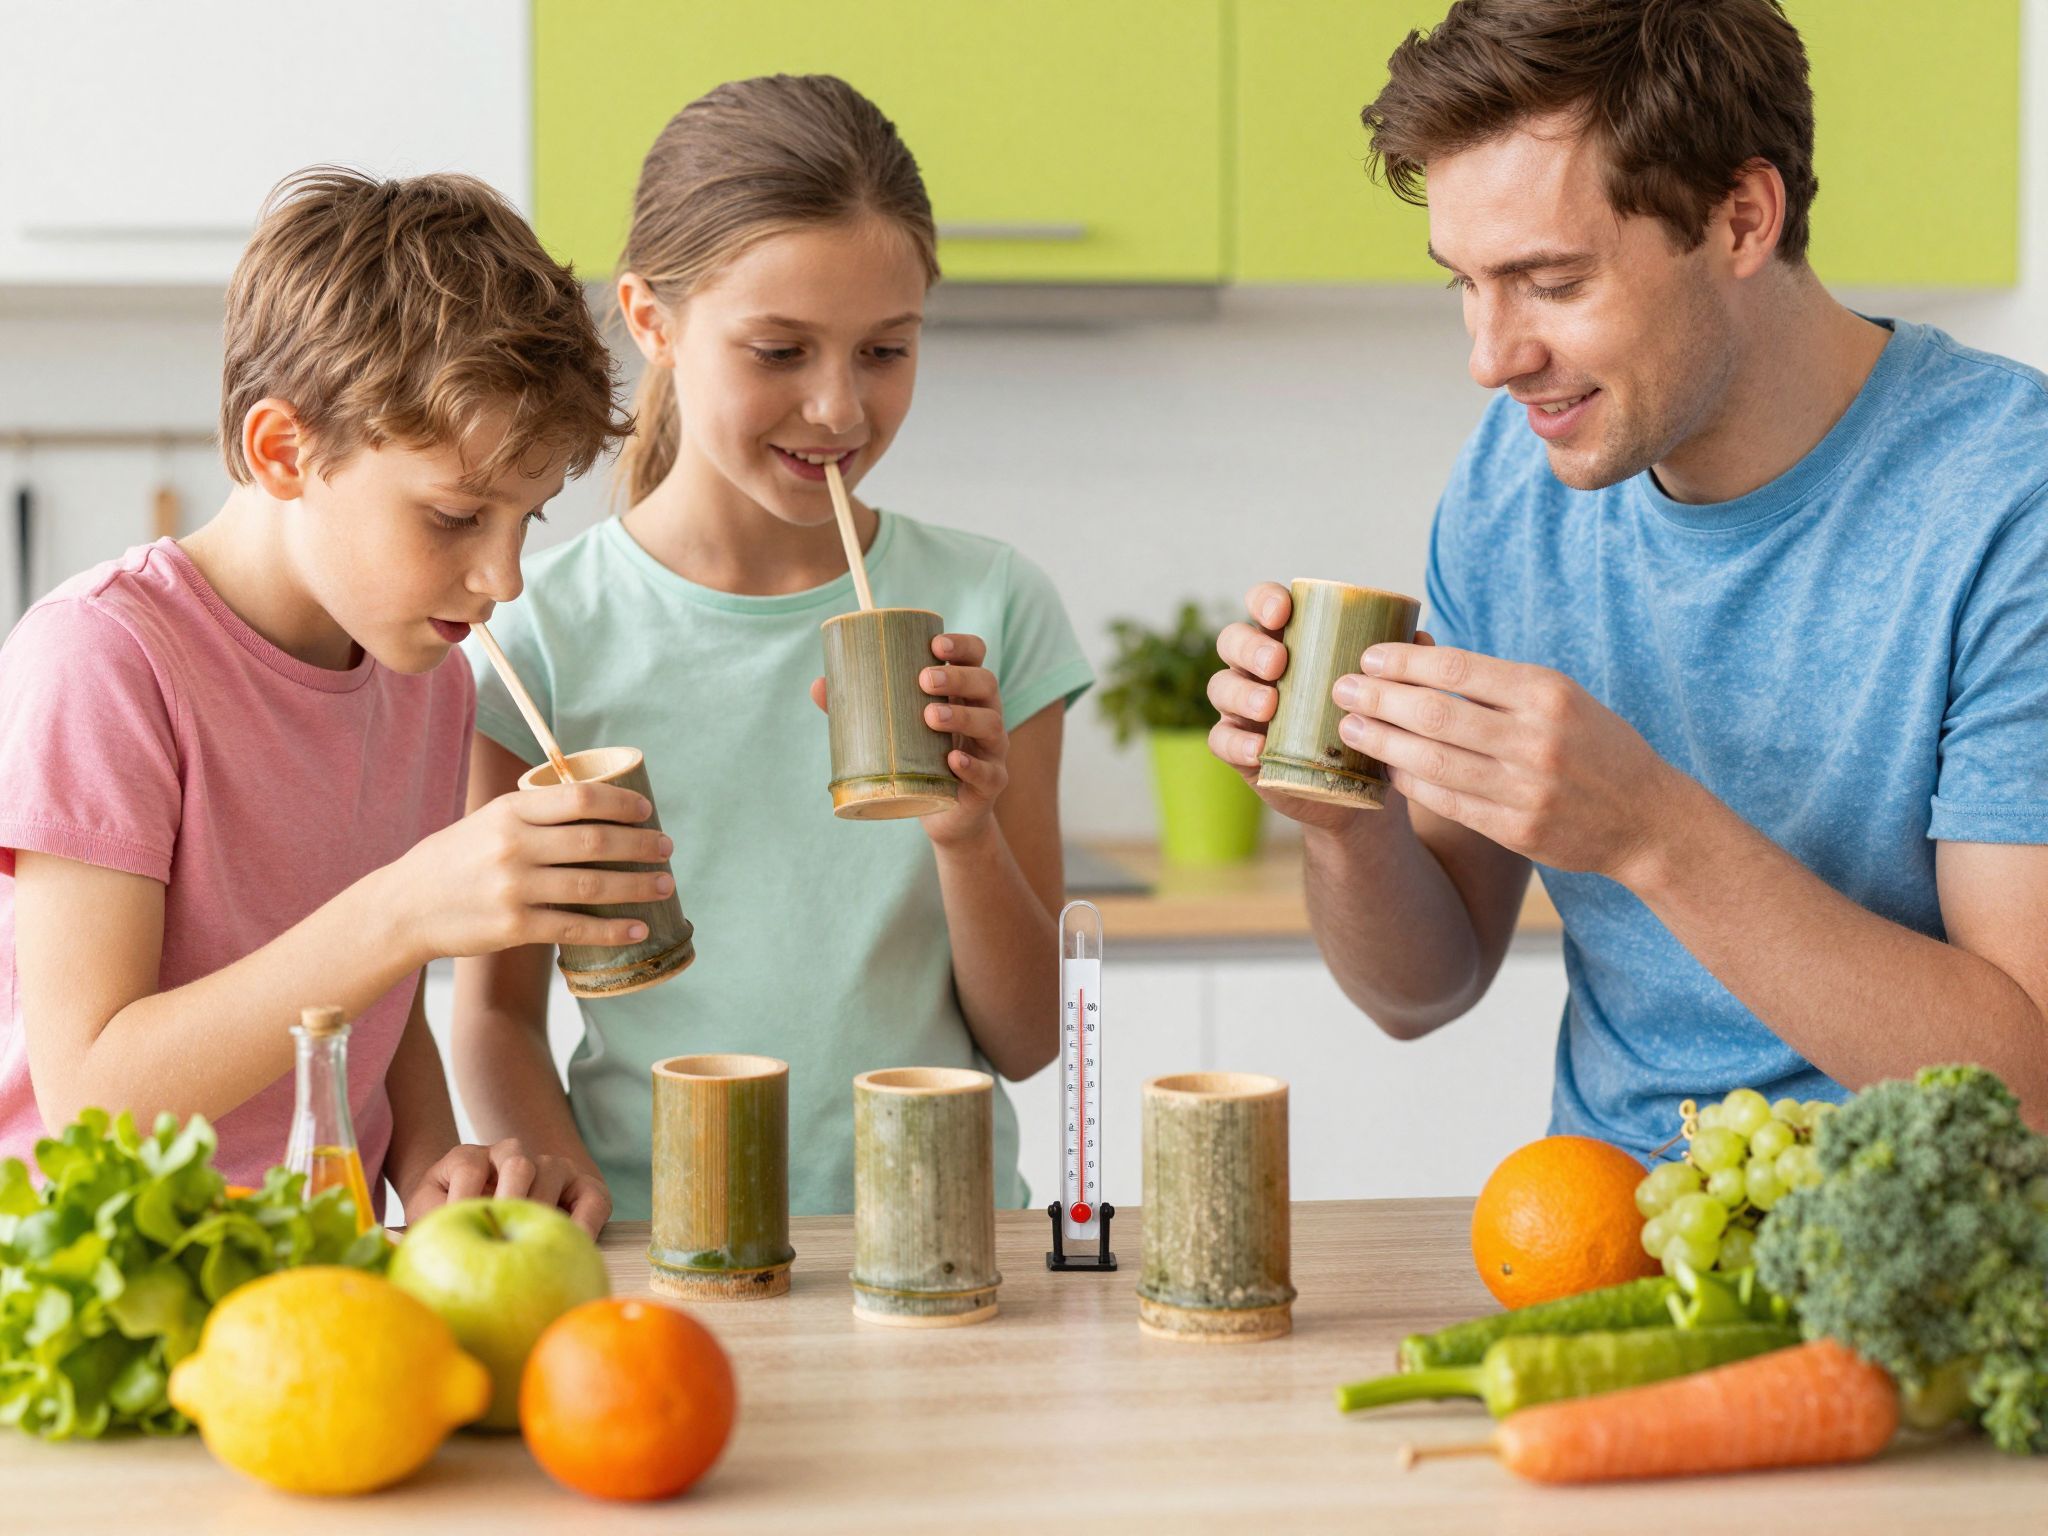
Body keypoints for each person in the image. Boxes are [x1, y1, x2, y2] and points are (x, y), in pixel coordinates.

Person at [1207, 0, 2048, 1150]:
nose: (1488, 357)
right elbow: (1422, 988)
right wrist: (1343, 830)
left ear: (1741, 217)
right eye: (1462, 280)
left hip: (1911, 1271)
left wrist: (1652, 833)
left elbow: (2024, 1091)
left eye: (1549, 283)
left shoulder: (2010, 500)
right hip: (1597, 1241)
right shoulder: (1513, 482)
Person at [455, 75, 1093, 1221]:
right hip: (658, 1247)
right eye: (779, 351)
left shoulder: (988, 603)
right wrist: (593, 1228)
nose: (839, 410)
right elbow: (497, 1015)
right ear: (651, 321)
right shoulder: (534, 632)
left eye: (884, 352)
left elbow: (1031, 1039)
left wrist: (963, 832)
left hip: (941, 1237)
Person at [0, 168, 651, 1231]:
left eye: (525, 521)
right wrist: (407, 907)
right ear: (283, 450)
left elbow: (372, 1002)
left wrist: (436, 1158)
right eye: (453, 517)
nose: (503, 579)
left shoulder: (426, 679)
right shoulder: (105, 663)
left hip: (315, 1268)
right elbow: (93, 1099)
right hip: (98, 1281)